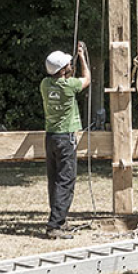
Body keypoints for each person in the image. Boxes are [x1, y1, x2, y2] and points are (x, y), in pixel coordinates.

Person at [41, 41, 90, 239]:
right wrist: (82, 58)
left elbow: (66, 77)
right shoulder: (69, 86)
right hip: (66, 138)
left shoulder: (45, 84)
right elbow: (86, 79)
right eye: (67, 64)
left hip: (51, 136)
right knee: (65, 181)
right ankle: (55, 225)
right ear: (62, 70)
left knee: (54, 180)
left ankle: (59, 219)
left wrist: (71, 63)